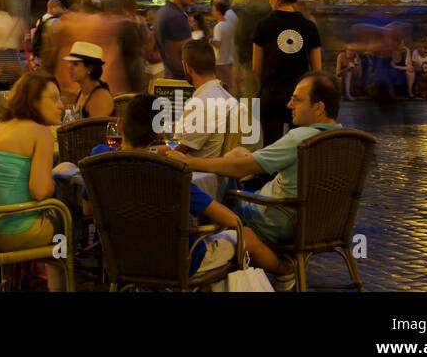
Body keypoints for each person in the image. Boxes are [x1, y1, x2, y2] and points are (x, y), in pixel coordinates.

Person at [90, 94, 290, 282]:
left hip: (121, 260)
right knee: (245, 235)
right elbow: (232, 221)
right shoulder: (171, 174)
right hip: (179, 264)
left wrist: (150, 152)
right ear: (159, 133)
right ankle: (286, 271)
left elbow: (87, 210)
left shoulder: (98, 160)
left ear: (120, 124)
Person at [170, 73, 343, 254]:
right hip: (316, 225)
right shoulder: (344, 139)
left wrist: (189, 162)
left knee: (204, 202)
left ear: (318, 108)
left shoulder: (301, 138)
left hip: (273, 222)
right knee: (235, 157)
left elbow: (239, 169)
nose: (289, 105)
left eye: (297, 100)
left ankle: (201, 263)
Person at [0, 73, 67, 290]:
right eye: (53, 99)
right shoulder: (40, 133)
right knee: (65, 217)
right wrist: (55, 178)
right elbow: (40, 191)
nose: (61, 106)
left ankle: (13, 284)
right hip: (13, 233)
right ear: (32, 102)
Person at [252, 0, 321, 146]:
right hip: (300, 95)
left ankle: (271, 174)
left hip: (272, 93)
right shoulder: (309, 26)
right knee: (300, 146)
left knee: (270, 146)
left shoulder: (263, 25)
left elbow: (255, 67)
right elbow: (317, 69)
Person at [171, 40, 237, 158]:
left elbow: (177, 151)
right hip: (212, 170)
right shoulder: (225, 96)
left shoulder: (202, 104)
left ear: (187, 68)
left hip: (194, 172)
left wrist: (148, 150)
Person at [156, 0, 200, 80]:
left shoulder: (165, 10)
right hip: (179, 85)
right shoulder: (175, 17)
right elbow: (176, 61)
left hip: (171, 80)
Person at [65, 41, 113, 119]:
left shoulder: (100, 97)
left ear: (90, 68)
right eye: (70, 63)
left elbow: (96, 130)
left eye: (75, 64)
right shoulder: (82, 92)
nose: (70, 67)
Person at [211, 0, 236, 91]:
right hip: (229, 59)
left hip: (220, 60)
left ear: (218, 12)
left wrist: (210, 41)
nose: (212, 12)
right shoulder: (230, 25)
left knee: (221, 86)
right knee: (230, 84)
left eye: (213, 10)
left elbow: (218, 44)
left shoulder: (218, 26)